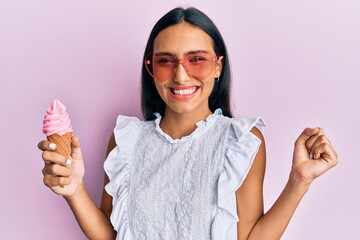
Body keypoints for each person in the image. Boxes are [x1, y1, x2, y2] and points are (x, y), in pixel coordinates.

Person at [38, 7, 338, 240]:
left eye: (197, 59)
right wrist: (74, 189)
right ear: (150, 67)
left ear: (218, 66)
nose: (180, 76)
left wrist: (300, 180)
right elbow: (110, 235)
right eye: (166, 60)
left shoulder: (240, 140)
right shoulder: (127, 140)